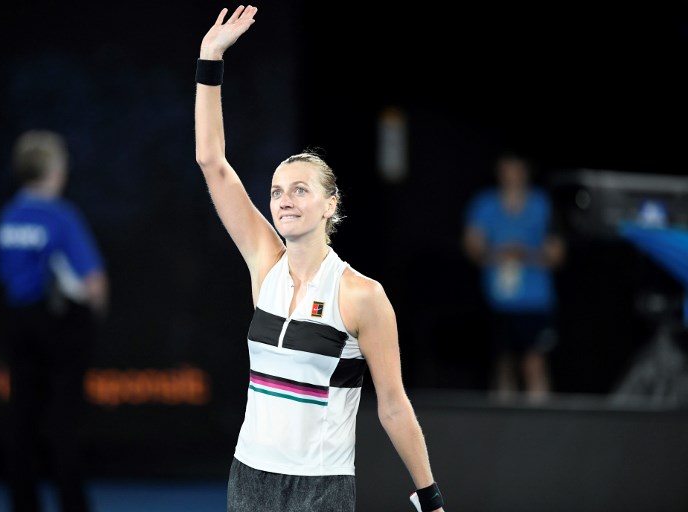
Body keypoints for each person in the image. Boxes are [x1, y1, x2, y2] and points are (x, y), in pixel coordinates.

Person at [194, 6, 444, 512]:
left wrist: (430, 497)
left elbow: (393, 408)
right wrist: (209, 58)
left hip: (320, 488)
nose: (283, 199)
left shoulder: (360, 295)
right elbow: (211, 161)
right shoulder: (265, 263)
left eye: (300, 190)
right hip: (249, 479)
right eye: (277, 191)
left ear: (331, 205)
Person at [0, 129, 109, 512]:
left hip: (17, 325)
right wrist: (96, 313)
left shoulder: (7, 217)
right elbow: (93, 283)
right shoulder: (60, 217)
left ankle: (22, 504)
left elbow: (5, 275)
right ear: (54, 170)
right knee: (63, 423)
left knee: (22, 419)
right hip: (60, 330)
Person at [463, 151, 565, 403]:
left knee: (533, 362)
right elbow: (472, 245)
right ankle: (499, 431)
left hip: (534, 299)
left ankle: (542, 426)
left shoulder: (542, 203)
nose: (511, 174)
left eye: (517, 167)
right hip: (496, 299)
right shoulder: (485, 203)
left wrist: (525, 254)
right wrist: (498, 253)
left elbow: (557, 253)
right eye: (506, 167)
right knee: (502, 364)